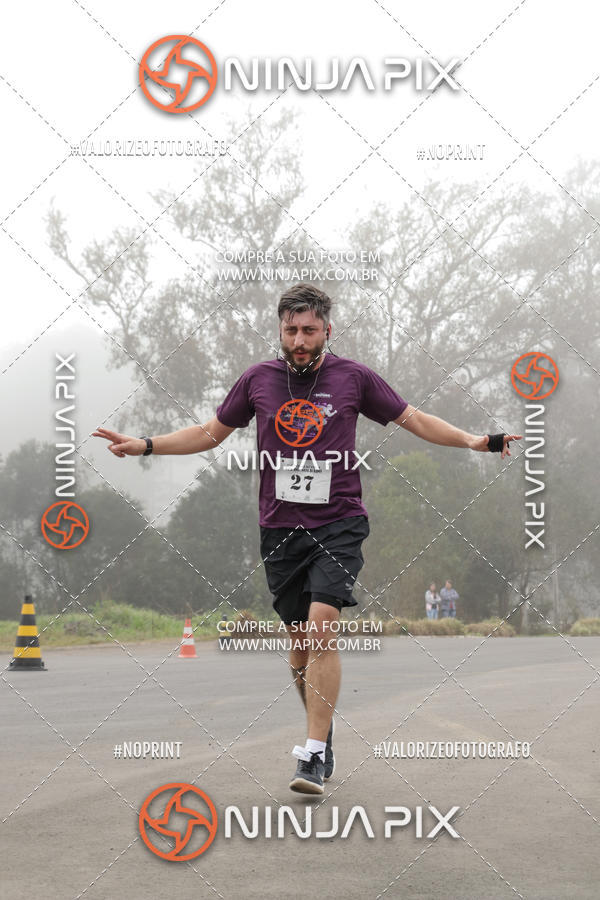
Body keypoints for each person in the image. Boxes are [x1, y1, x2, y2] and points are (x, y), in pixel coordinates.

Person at [93, 282, 521, 795]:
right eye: (291, 330)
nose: (299, 339)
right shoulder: (258, 380)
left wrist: (475, 439)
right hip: (279, 529)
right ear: (280, 329)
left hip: (339, 522)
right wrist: (145, 444)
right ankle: (324, 732)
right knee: (299, 648)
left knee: (322, 628)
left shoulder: (354, 379)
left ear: (326, 331)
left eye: (309, 330)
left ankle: (312, 755)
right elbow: (209, 434)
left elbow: (415, 419)